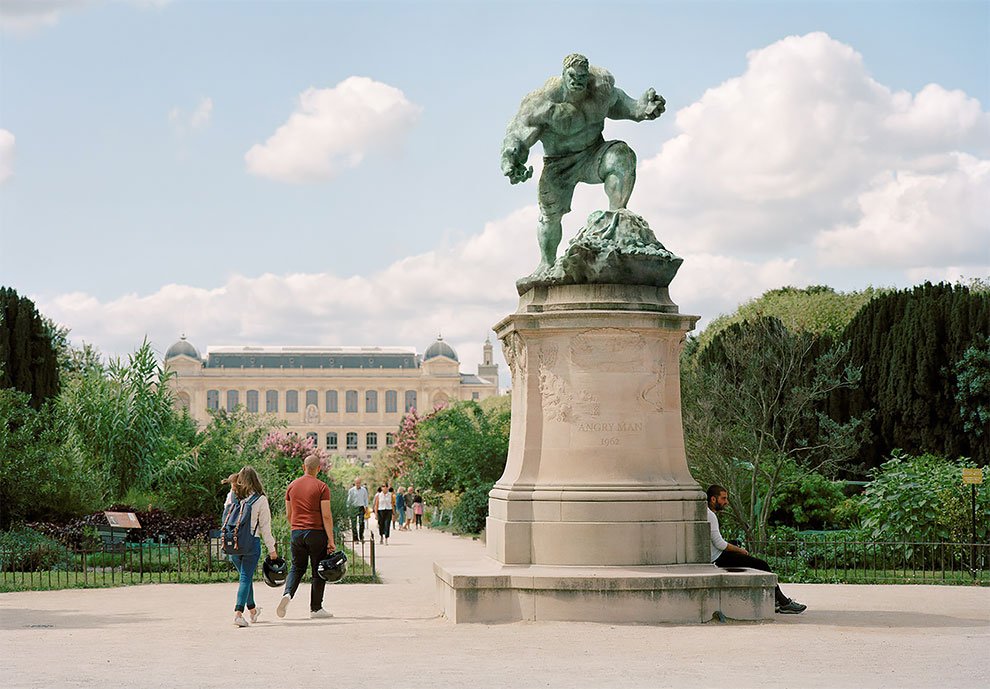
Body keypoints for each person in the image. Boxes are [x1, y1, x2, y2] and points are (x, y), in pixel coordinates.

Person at [501, 53, 666, 274]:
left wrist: (641, 108)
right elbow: (518, 136)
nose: (577, 81)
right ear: (563, 75)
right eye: (572, 76)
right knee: (549, 216)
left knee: (621, 155)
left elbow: (620, 105)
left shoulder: (601, 88)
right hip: (558, 164)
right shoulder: (543, 103)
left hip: (593, 153)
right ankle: (546, 263)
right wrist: (511, 161)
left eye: (582, 76)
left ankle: (617, 221)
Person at [706, 484, 807, 614]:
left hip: (716, 554)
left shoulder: (706, 512)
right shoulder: (711, 516)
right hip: (718, 558)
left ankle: (777, 600)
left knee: (747, 555)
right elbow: (719, 544)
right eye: (723, 498)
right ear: (713, 499)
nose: (726, 502)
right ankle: (783, 603)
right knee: (761, 565)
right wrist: (740, 550)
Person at [277, 454, 335, 620]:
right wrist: (330, 540)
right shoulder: (322, 487)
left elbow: (289, 514)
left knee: (297, 567)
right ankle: (316, 609)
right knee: (318, 570)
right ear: (318, 469)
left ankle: (287, 594)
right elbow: (326, 516)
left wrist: (296, 528)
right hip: (316, 532)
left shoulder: (292, 486)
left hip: (297, 532)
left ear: (304, 467)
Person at [221, 467, 277, 628]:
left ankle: (252, 610)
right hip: (251, 544)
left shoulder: (231, 496)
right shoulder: (260, 500)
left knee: (245, 577)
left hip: (233, 543)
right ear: (255, 480)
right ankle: (238, 613)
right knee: (245, 577)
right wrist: (272, 550)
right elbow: (266, 528)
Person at [346, 477, 369, 542]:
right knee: (354, 524)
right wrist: (348, 508)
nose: (358, 484)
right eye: (356, 483)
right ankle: (355, 538)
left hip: (361, 507)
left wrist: (366, 508)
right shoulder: (351, 490)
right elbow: (349, 500)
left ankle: (361, 536)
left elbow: (366, 499)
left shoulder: (364, 490)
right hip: (353, 508)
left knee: (361, 522)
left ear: (360, 483)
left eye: (359, 483)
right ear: (355, 483)